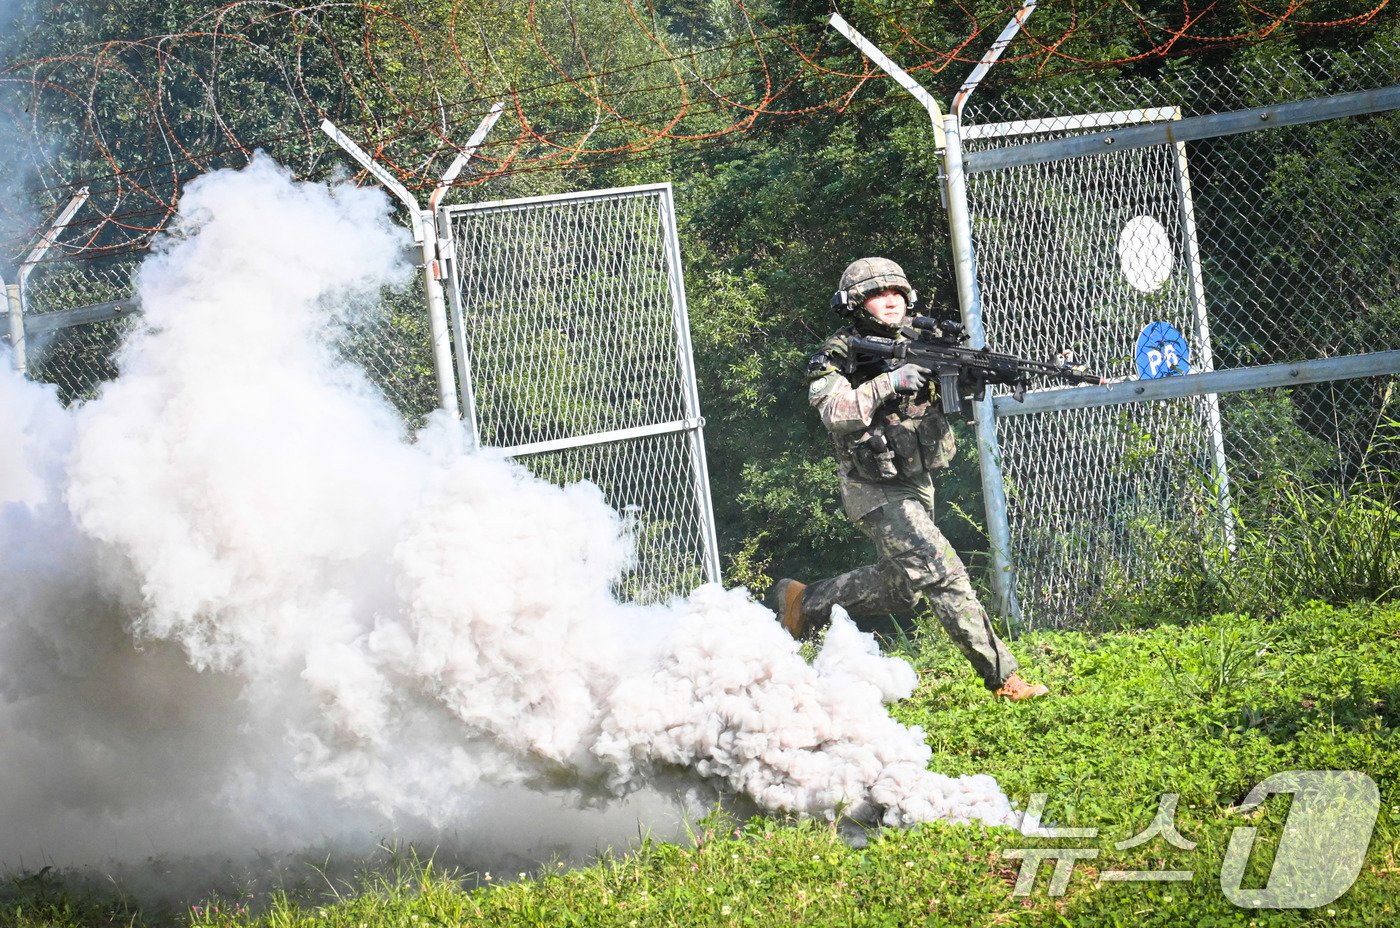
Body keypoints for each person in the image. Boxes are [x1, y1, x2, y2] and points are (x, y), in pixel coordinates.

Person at [767, 257, 1048, 701]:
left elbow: (958, 396)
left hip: (917, 481)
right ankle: (1004, 679)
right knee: (942, 571)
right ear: (857, 305)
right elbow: (834, 412)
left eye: (896, 292)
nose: (891, 301)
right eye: (878, 294)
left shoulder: (924, 338)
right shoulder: (837, 353)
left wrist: (974, 377)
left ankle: (806, 602)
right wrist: (887, 383)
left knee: (904, 590)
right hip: (873, 487)